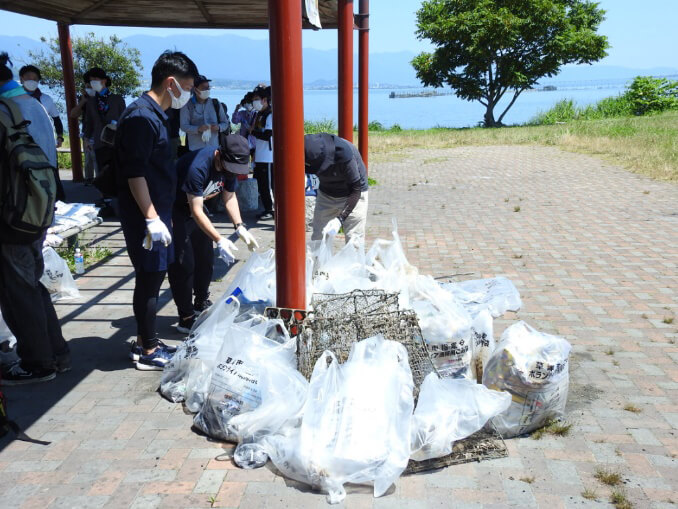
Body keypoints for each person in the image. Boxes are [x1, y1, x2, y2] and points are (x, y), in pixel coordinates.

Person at [115, 50, 198, 371]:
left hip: (160, 213)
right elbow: (134, 173)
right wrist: (151, 219)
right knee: (150, 279)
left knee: (156, 275)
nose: (188, 96)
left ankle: (145, 339)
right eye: (188, 89)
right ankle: (147, 351)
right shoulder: (140, 117)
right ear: (171, 83)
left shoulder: (159, 114)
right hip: (145, 216)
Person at [0, 52, 70, 384]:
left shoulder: (4, 111)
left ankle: (38, 363)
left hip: (11, 216)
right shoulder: (32, 105)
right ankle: (55, 351)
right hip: (39, 209)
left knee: (18, 290)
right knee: (33, 283)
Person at [168, 134, 259, 332]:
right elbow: (196, 210)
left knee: (205, 259)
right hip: (174, 208)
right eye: (228, 167)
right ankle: (186, 316)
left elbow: (229, 197)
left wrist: (239, 226)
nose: (230, 172)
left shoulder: (230, 167)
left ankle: (200, 302)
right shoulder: (197, 167)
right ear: (218, 154)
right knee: (183, 263)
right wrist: (219, 239)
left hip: (196, 208)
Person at [304, 133, 369, 245]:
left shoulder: (344, 154)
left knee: (354, 241)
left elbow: (356, 190)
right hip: (326, 195)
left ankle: (354, 262)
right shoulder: (305, 148)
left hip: (352, 195)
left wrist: (340, 219)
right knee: (318, 239)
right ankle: (318, 262)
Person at [83, 67, 126, 180]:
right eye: (91, 80)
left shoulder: (117, 99)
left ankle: (118, 194)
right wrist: (87, 139)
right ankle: (105, 195)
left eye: (96, 79)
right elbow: (89, 122)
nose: (93, 82)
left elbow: (125, 119)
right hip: (99, 140)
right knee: (102, 170)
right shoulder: (91, 101)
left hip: (115, 140)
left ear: (104, 80)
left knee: (118, 168)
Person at [18, 64, 64, 149]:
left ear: (38, 81)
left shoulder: (46, 99)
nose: (31, 81)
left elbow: (56, 119)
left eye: (35, 79)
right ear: (21, 79)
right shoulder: (14, 100)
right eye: (28, 78)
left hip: (46, 144)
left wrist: (60, 137)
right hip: (21, 145)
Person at [179, 74, 229, 151]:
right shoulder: (187, 105)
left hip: (214, 148)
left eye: (208, 88)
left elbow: (225, 123)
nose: (207, 90)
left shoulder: (215, 103)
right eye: (204, 88)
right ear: (195, 89)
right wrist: (198, 129)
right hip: (195, 149)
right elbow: (184, 126)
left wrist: (218, 127)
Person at [69, 71, 98, 184]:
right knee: (89, 159)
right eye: (87, 86)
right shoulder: (84, 100)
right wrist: (83, 101)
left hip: (99, 134)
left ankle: (99, 180)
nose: (90, 88)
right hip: (87, 133)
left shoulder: (101, 99)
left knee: (96, 159)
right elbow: (73, 114)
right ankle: (89, 178)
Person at [251, 86, 274, 220]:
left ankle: (271, 209)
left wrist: (252, 132)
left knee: (268, 185)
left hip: (268, 156)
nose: (255, 102)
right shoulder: (260, 114)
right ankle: (266, 208)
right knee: (262, 185)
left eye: (257, 99)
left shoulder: (269, 115)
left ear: (265, 100)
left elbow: (267, 135)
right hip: (260, 155)